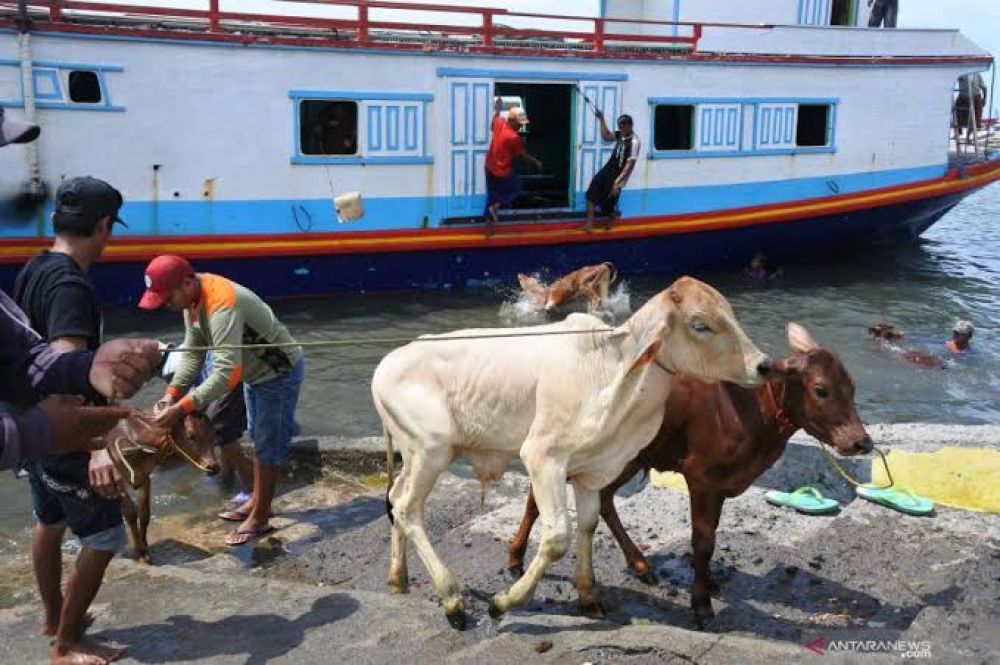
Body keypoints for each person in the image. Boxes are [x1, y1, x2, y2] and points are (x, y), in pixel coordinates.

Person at [13, 176, 135, 665]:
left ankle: (53, 618)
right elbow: (65, 367)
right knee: (105, 537)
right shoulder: (70, 285)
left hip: (31, 423)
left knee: (50, 520)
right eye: (110, 228)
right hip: (65, 433)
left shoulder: (34, 268)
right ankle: (67, 645)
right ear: (103, 225)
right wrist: (98, 446)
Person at [139, 255, 304, 546]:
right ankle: (257, 501)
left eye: (168, 298)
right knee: (258, 437)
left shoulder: (221, 305)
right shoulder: (192, 302)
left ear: (187, 283)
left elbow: (227, 375)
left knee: (267, 445)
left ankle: (261, 518)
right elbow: (193, 353)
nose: (166, 305)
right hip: (254, 374)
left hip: (277, 373)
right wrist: (170, 395)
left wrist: (181, 409)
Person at [160, 344, 253, 510]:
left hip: (234, 372)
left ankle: (250, 490)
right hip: (229, 371)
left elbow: (216, 379)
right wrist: (172, 398)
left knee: (221, 428)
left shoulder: (171, 370)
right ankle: (228, 478)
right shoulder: (185, 359)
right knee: (223, 428)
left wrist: (180, 406)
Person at [483, 98, 543, 237]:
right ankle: (496, 207)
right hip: (502, 171)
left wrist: (498, 109)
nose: (520, 127)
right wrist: (536, 162)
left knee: (491, 195)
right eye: (519, 124)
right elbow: (522, 155)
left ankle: (488, 229)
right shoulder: (514, 137)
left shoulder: (500, 122)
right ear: (513, 122)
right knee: (515, 190)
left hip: (489, 166)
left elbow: (493, 123)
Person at [582, 112, 641, 232]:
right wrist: (602, 119)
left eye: (623, 126)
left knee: (608, 204)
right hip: (608, 168)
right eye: (619, 126)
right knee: (590, 194)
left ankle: (611, 216)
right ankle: (589, 224)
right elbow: (606, 136)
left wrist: (617, 182)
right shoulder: (619, 134)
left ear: (630, 126)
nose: (620, 128)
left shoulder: (634, 142)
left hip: (619, 174)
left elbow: (630, 165)